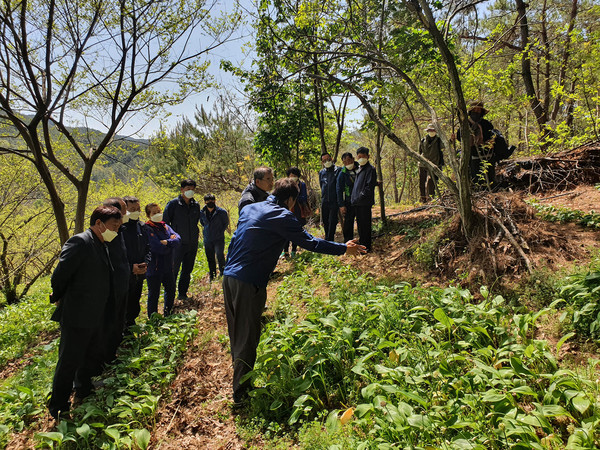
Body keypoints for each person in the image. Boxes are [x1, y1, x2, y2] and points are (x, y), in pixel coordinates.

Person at [223, 178, 366, 405]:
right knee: (247, 337)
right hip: (248, 281)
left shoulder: (250, 208)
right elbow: (311, 243)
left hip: (229, 276)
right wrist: (343, 249)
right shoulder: (282, 216)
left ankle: (242, 384)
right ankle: (241, 394)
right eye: (297, 199)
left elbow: (234, 239)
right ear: (290, 199)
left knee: (238, 334)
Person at [48, 205, 122, 419]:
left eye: (118, 227)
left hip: (96, 312)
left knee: (90, 354)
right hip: (78, 313)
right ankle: (59, 405)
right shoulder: (80, 241)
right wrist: (58, 296)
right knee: (69, 359)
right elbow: (60, 275)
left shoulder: (102, 242)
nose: (115, 231)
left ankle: (84, 388)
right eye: (113, 226)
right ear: (98, 223)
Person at [102, 197, 131, 363]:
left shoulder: (119, 232)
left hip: (122, 285)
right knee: (109, 324)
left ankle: (114, 353)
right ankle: (106, 358)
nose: (125, 215)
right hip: (110, 288)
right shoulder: (104, 237)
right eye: (123, 211)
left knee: (119, 321)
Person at [163, 179, 201, 301]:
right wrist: (169, 238)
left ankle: (182, 294)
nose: (190, 192)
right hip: (177, 244)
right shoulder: (173, 204)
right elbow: (165, 223)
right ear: (182, 189)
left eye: (192, 189)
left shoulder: (196, 205)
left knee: (187, 270)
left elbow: (196, 222)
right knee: (173, 270)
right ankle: (170, 297)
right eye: (188, 189)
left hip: (192, 243)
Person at [145, 203, 181, 317]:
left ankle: (168, 313)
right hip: (154, 267)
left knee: (170, 290)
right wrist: (170, 244)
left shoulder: (165, 226)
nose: (158, 214)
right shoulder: (147, 228)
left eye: (159, 211)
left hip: (168, 266)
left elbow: (178, 239)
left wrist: (167, 242)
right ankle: (153, 318)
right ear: (148, 215)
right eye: (154, 213)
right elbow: (156, 247)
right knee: (153, 295)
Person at [122, 196, 150, 328]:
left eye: (138, 209)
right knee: (124, 300)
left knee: (135, 298)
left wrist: (146, 263)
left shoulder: (142, 226)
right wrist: (129, 267)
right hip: (125, 272)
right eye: (132, 209)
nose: (136, 212)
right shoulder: (120, 228)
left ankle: (132, 322)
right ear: (125, 210)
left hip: (140, 271)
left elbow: (148, 248)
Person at [457, 102, 495, 188]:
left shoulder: (487, 124)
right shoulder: (465, 124)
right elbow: (459, 137)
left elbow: (492, 135)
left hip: (487, 154)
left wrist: (491, 142)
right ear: (470, 111)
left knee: (489, 175)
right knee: (475, 175)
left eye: (479, 110)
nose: (477, 112)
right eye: (474, 110)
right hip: (471, 154)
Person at [351, 147, 378, 253]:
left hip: (364, 202)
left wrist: (359, 197)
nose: (361, 158)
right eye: (359, 156)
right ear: (357, 157)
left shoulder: (370, 169)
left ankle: (366, 247)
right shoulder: (359, 169)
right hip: (357, 202)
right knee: (360, 226)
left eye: (363, 156)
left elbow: (369, 187)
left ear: (368, 156)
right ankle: (362, 246)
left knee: (365, 225)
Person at [200, 194, 230, 281]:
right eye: (208, 201)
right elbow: (202, 223)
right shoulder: (202, 212)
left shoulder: (221, 212)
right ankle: (212, 275)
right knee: (210, 257)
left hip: (218, 238)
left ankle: (223, 273)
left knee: (220, 255)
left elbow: (225, 223)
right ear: (205, 202)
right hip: (207, 239)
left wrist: (220, 231)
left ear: (215, 201)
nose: (210, 202)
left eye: (212, 200)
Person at [284, 167, 309, 257]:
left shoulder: (302, 185)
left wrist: (294, 197)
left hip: (298, 210)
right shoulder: (285, 185)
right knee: (286, 230)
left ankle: (294, 250)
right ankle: (285, 251)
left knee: (296, 230)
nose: (293, 177)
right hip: (287, 209)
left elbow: (304, 198)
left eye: (294, 176)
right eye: (291, 176)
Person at [418, 124, 444, 203]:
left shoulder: (439, 140)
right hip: (422, 164)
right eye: (430, 130)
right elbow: (420, 151)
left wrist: (451, 140)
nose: (431, 132)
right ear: (427, 131)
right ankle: (423, 198)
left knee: (431, 181)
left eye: (433, 130)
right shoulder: (423, 140)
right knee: (421, 182)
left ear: (435, 131)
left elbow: (444, 146)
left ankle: (431, 198)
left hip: (434, 164)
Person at [336, 152, 358, 242]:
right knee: (348, 223)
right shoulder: (342, 173)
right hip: (349, 201)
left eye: (349, 160)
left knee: (362, 221)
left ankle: (363, 242)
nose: (347, 163)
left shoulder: (360, 168)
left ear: (353, 159)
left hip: (361, 200)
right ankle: (348, 242)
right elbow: (339, 189)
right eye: (345, 162)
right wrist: (341, 205)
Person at [319, 153, 339, 241]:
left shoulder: (337, 170)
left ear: (331, 159)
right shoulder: (321, 172)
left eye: (328, 159)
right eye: (324, 161)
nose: (326, 162)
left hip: (334, 200)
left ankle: (330, 240)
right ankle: (327, 238)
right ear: (322, 162)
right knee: (325, 221)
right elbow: (321, 185)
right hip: (324, 200)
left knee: (332, 221)